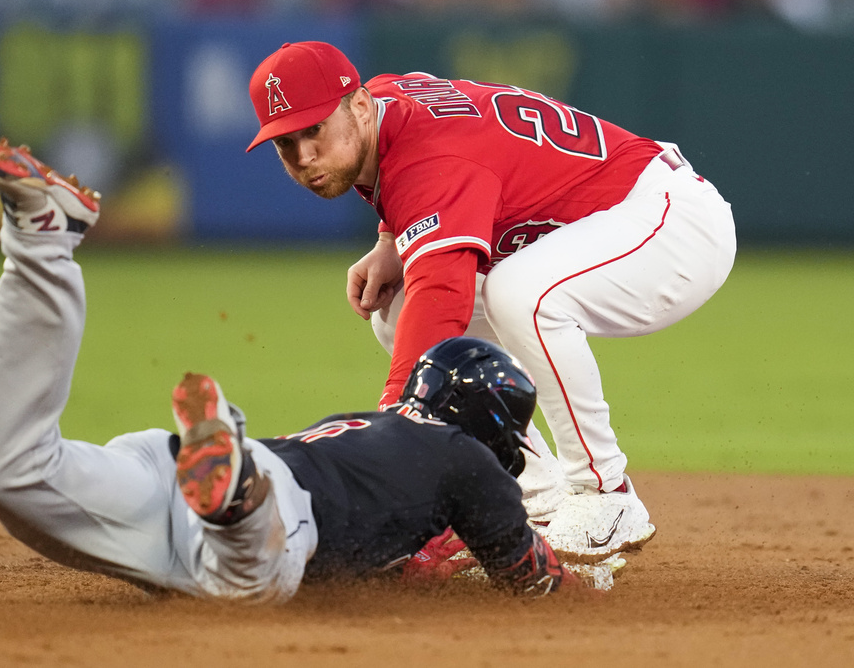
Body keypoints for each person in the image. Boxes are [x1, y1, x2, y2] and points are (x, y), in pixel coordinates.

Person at [0, 139, 620, 604]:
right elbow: (532, 580)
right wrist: (593, 582)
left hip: (182, 482)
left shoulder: (367, 430)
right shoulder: (462, 457)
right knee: (248, 580)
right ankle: (234, 492)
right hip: (269, 519)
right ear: (490, 426)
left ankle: (41, 243)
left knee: (10, 473)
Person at [245, 41, 737, 564]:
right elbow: (421, 162)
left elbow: (443, 300)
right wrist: (392, 241)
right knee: (395, 309)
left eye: (314, 130)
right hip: (613, 220)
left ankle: (604, 495)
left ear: (359, 107)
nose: (303, 156)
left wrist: (396, 432)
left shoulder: (429, 159)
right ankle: (538, 503)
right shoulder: (382, 104)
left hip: (670, 221)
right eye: (285, 143)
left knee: (521, 292)